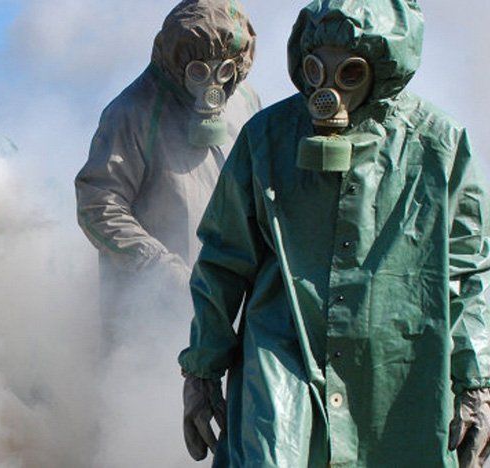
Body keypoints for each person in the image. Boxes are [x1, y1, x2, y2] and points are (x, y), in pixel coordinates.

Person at [178, 1, 490, 467]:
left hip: (397, 373)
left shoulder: (437, 146)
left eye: (350, 72)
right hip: (283, 358)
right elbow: (224, 260)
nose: (329, 89)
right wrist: (202, 370)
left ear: (383, 69)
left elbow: (467, 272)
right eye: (316, 68)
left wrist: (476, 383)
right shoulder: (267, 137)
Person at [75, 0, 260, 342]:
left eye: (224, 71)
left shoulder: (245, 101)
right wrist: (156, 266)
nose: (212, 85)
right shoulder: (132, 112)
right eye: (198, 71)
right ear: (176, 62)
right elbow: (98, 204)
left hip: (229, 297)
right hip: (148, 310)